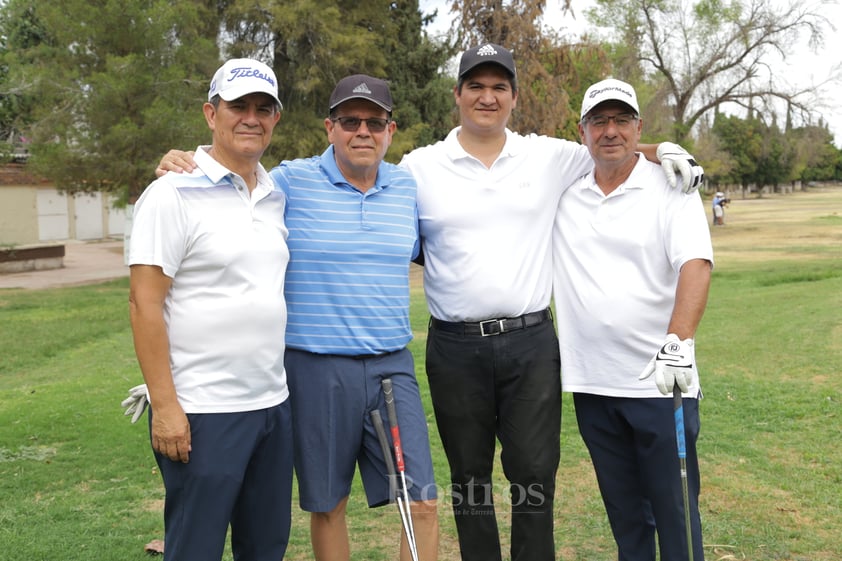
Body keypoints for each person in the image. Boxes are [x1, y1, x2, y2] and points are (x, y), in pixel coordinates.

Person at [399, 44, 705, 561]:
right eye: (476, 86)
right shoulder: (418, 167)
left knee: (534, 475)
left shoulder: (547, 156)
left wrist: (663, 148)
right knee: (470, 480)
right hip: (455, 348)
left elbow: (614, 145)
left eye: (499, 87)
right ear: (457, 94)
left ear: (514, 97)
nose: (487, 97)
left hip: (530, 345)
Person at [152, 74, 439, 561]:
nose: (363, 131)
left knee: (423, 501)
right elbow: (229, 174)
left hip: (392, 366)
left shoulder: (408, 188)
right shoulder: (287, 181)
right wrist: (180, 161)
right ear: (330, 128)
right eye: (350, 121)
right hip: (315, 368)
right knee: (329, 504)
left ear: (391, 130)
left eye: (375, 122)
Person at [127, 58, 293, 561]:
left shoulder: (273, 194)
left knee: (264, 547)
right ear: (210, 114)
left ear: (275, 120)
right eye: (237, 105)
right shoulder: (170, 194)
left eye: (263, 108)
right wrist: (167, 407)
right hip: (202, 412)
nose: (251, 117)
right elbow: (143, 304)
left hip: (271, 405)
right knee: (195, 549)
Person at [551, 78, 712, 560]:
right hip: (593, 386)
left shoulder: (670, 187)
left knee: (676, 516)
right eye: (599, 121)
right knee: (626, 519)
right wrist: (660, 145)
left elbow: (696, 264)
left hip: (660, 386)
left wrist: (678, 341)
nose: (611, 130)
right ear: (582, 132)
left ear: (638, 124)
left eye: (622, 120)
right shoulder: (565, 191)